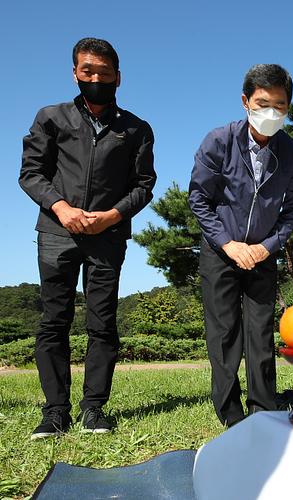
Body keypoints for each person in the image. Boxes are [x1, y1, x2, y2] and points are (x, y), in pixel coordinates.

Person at [19, 38, 157, 439]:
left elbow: (144, 184)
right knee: (53, 321)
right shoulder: (51, 117)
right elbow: (31, 173)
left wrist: (112, 216)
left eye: (104, 72)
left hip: (107, 237)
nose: (96, 78)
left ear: (118, 76)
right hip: (56, 234)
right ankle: (55, 411)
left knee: (102, 323)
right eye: (87, 71)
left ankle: (94, 409)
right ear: (76, 73)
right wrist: (61, 208)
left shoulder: (135, 129)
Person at [189, 64, 293, 427]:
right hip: (220, 251)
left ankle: (262, 406)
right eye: (263, 103)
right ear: (245, 101)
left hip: (262, 254)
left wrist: (267, 246)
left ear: (289, 107)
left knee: (260, 330)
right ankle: (229, 411)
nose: (271, 113)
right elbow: (199, 199)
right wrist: (227, 244)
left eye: (280, 105)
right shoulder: (219, 141)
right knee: (224, 332)